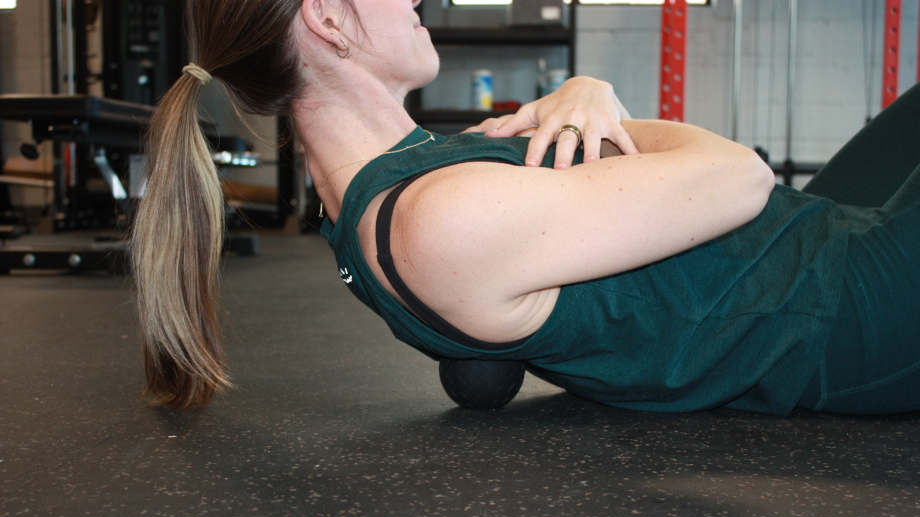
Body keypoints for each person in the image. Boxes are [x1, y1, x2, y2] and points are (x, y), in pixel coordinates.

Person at [132, 0, 920, 416]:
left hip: (813, 237)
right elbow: (741, 175)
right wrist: (602, 98)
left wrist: (571, 104)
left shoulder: (417, 180)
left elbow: (484, 369)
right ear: (327, 19)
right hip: (847, 311)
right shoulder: (435, 218)